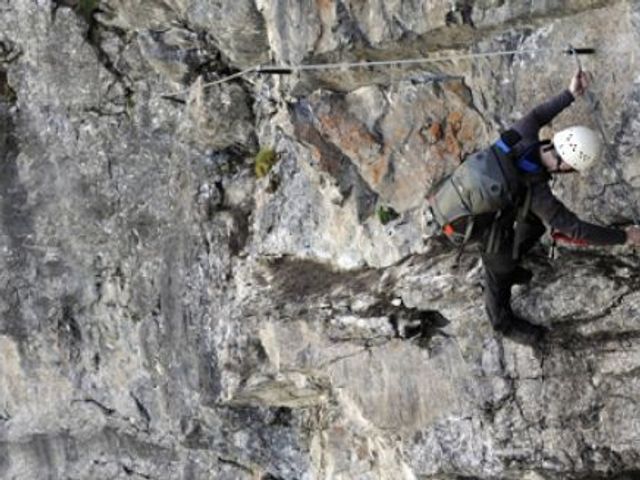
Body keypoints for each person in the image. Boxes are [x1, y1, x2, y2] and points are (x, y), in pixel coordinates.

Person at [479, 69, 640, 341]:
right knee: (498, 270)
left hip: (481, 189)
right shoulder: (539, 195)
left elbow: (538, 114)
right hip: (484, 223)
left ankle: (513, 263)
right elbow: (577, 230)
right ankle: (515, 329)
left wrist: (570, 93)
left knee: (532, 226)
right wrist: (625, 236)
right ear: (566, 166)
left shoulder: (524, 134)